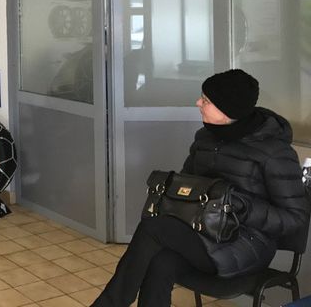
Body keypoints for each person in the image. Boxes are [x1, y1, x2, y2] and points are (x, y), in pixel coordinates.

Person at [92, 68, 310, 307]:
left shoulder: (274, 153)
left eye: (206, 100)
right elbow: (188, 186)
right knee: (161, 262)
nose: (198, 103)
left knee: (154, 228)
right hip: (204, 232)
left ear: (228, 109)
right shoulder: (205, 138)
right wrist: (170, 188)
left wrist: (244, 208)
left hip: (247, 244)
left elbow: (295, 218)